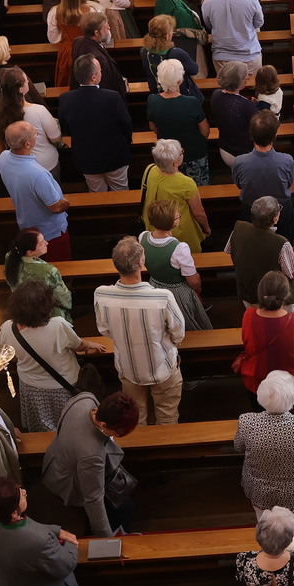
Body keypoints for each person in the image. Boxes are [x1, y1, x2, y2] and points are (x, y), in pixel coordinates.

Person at [93, 236, 187, 425]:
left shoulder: (101, 294)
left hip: (128, 366)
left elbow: (104, 329)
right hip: (163, 366)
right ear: (141, 262)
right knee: (167, 415)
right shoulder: (162, 297)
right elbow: (179, 332)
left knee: (134, 418)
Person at [0, 281, 101, 432]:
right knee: (70, 425)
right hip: (62, 386)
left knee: (41, 428)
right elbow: (77, 345)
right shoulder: (57, 325)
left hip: (31, 388)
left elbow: (9, 355)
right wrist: (89, 344)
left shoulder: (7, 328)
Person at [42, 390, 140, 536]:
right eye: (119, 433)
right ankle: (90, 535)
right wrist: (105, 538)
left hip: (56, 458)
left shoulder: (85, 399)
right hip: (69, 480)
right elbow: (93, 499)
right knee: (124, 507)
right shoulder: (91, 455)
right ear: (103, 424)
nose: (119, 436)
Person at [235, 370, 294, 518]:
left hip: (262, 493)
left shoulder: (246, 422)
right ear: (292, 397)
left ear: (260, 395)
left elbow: (238, 447)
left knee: (268, 522)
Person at [240, 272, 294, 412]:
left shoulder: (248, 316)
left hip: (258, 381)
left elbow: (245, 340)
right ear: (286, 296)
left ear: (260, 293)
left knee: (261, 414)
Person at [0, 121, 71, 260]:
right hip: (49, 232)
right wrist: (66, 203)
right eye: (34, 133)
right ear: (27, 144)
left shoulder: (3, 157)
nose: (36, 134)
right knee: (59, 265)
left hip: (26, 224)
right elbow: (55, 207)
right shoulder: (37, 174)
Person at [58, 54, 131, 192]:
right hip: (114, 156)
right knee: (121, 191)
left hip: (87, 158)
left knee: (96, 194)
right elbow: (126, 124)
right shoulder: (112, 97)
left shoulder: (65, 99)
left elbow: (65, 126)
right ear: (93, 77)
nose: (101, 72)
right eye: (100, 70)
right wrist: (127, 141)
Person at [140, 199, 212, 330]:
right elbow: (193, 280)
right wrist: (198, 287)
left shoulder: (143, 237)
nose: (179, 215)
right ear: (172, 223)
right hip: (177, 293)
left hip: (154, 287)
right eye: (177, 215)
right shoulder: (179, 248)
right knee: (186, 326)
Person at [228, 196, 294, 311]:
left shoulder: (238, 228)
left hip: (248, 294)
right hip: (276, 300)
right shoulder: (282, 243)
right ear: (275, 219)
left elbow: (230, 250)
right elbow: (292, 274)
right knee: (291, 313)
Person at [234, 109, 294, 239]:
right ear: (274, 136)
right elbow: (289, 182)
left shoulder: (240, 162)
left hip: (251, 212)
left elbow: (239, 184)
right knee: (284, 241)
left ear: (251, 135)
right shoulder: (286, 160)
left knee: (252, 242)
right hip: (279, 212)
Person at [146, 61, 211, 187]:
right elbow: (205, 130)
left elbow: (153, 127)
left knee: (172, 188)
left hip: (169, 156)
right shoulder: (191, 102)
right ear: (179, 80)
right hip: (194, 153)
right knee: (197, 188)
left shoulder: (152, 100)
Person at [140, 138, 209, 253]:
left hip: (154, 224)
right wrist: (206, 228)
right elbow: (199, 212)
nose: (183, 152)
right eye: (181, 152)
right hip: (177, 229)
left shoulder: (150, 169)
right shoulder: (186, 182)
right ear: (175, 162)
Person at [0, 68, 63, 178]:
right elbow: (56, 137)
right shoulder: (39, 110)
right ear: (21, 89)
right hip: (44, 164)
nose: (28, 81)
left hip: (16, 165)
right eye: (26, 80)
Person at [201, 0, 264, 73]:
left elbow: (209, 25)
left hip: (222, 59)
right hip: (250, 56)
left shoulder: (208, 3)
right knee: (253, 83)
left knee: (227, 84)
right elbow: (259, 23)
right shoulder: (251, 0)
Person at [3, 228, 72, 321]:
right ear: (30, 252)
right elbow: (62, 297)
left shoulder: (10, 257)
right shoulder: (48, 271)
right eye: (42, 243)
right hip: (45, 313)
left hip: (22, 309)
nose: (47, 243)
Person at [140, 13, 202, 102]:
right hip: (181, 97)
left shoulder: (144, 51)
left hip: (157, 96)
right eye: (172, 31)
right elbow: (194, 70)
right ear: (167, 36)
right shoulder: (177, 53)